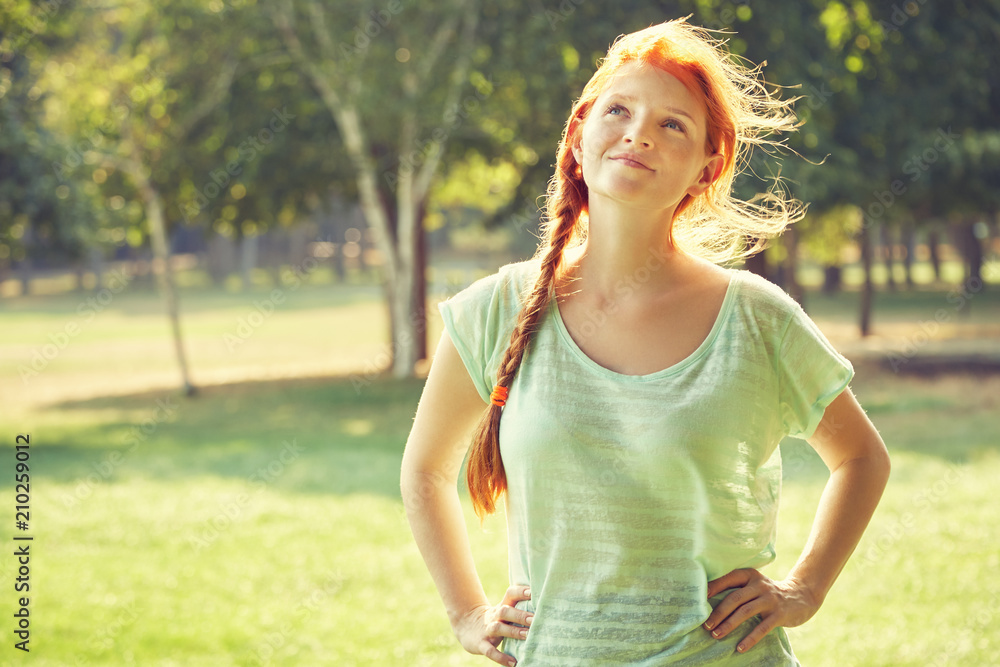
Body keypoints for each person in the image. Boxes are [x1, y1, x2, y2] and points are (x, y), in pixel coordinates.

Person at [401, 16, 890, 666]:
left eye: (673, 124)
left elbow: (862, 458)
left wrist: (803, 588)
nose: (639, 133)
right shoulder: (499, 308)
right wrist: (466, 612)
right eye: (620, 110)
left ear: (704, 167)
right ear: (578, 136)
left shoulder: (756, 319)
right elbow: (426, 470)